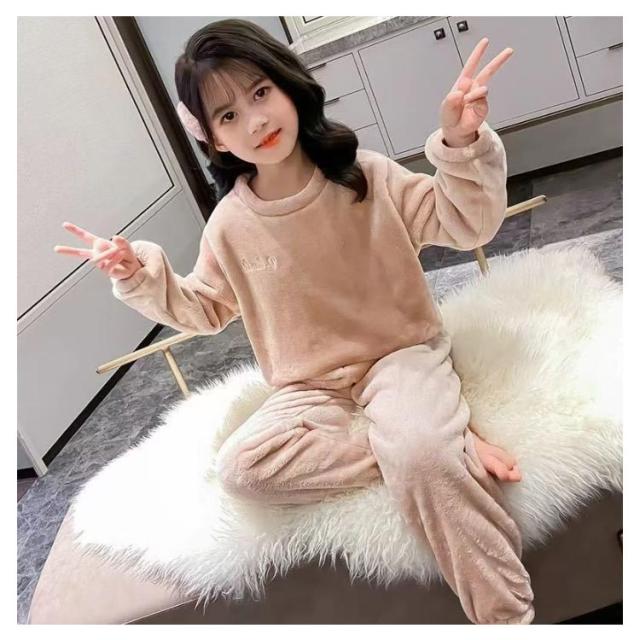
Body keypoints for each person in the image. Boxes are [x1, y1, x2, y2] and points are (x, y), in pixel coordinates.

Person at [54, 19, 533, 624]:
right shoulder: (231, 224)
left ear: (288, 85)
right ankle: (436, 444)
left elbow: (465, 224)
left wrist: (461, 146)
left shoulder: (366, 175)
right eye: (228, 115)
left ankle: (506, 617)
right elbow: (204, 308)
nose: (255, 121)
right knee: (243, 468)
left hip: (400, 357)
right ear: (214, 138)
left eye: (260, 92)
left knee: (420, 452)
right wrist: (139, 274)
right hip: (308, 389)